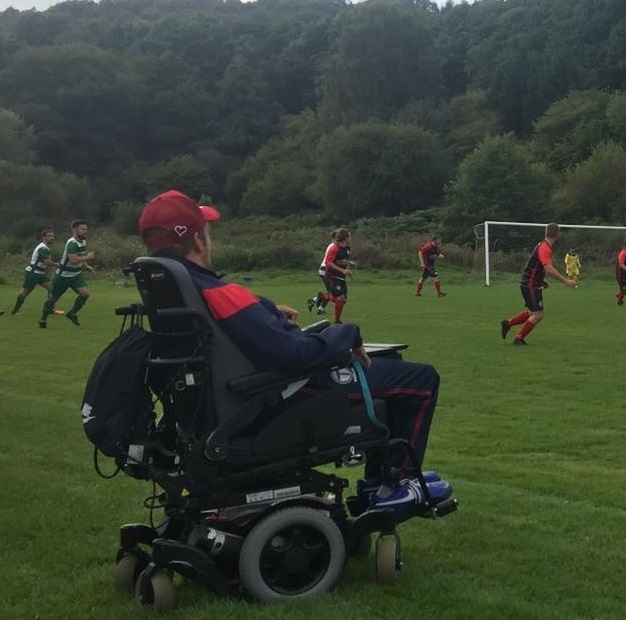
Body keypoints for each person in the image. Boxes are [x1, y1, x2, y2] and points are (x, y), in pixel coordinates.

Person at [137, 190, 441, 509]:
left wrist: (264, 310)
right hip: (281, 392)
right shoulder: (220, 292)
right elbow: (292, 354)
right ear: (198, 240)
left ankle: (381, 481)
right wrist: (346, 334)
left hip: (235, 398)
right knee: (421, 379)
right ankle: (398, 484)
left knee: (390, 363)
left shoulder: (178, 287)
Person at [501, 223, 576, 344]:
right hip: (530, 284)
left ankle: (508, 323)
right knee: (538, 315)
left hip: (531, 283)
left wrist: (541, 281)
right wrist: (565, 281)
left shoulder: (542, 245)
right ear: (557, 234)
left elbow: (535, 266)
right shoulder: (545, 248)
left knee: (532, 312)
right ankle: (519, 338)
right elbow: (549, 269)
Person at [39, 220, 95, 328]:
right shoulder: (71, 243)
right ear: (74, 230)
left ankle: (72, 313)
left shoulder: (82, 242)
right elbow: (73, 259)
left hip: (75, 274)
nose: (85, 231)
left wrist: (86, 266)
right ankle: (43, 319)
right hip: (63, 276)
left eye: (86, 229)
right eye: (83, 229)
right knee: (53, 298)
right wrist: (88, 258)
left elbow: (80, 256)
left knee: (85, 294)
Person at [309, 228, 353, 322]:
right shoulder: (334, 248)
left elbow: (343, 261)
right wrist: (342, 270)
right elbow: (329, 262)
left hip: (340, 276)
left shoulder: (347, 248)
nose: (351, 238)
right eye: (349, 236)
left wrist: (347, 269)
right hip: (331, 275)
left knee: (343, 300)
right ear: (345, 238)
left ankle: (323, 297)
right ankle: (337, 321)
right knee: (340, 298)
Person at [11, 228, 56, 316]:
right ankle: (15, 310)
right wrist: (59, 265)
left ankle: (50, 309)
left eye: (53, 236)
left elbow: (46, 264)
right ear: (44, 237)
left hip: (40, 274)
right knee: (25, 292)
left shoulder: (45, 248)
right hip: (33, 274)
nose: (52, 238)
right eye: (49, 236)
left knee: (53, 289)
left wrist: (47, 272)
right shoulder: (43, 248)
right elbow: (47, 262)